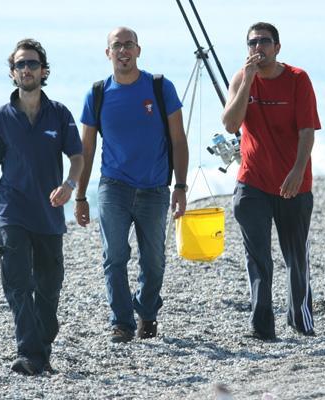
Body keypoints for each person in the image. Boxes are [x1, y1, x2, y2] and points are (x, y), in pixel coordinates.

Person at [0, 38, 83, 374]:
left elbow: (77, 157)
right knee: (18, 285)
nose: (27, 69)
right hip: (12, 213)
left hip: (49, 214)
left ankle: (41, 345)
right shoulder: (0, 119)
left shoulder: (59, 114)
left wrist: (69, 186)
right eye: (20, 64)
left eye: (32, 63)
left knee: (49, 287)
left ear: (44, 71)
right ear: (12, 73)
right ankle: (29, 354)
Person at [75, 27, 189, 343]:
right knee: (114, 256)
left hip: (155, 188)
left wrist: (180, 187)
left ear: (138, 50)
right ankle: (122, 323)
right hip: (114, 186)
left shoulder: (160, 87)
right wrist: (80, 196)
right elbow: (86, 149)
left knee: (154, 261)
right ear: (108, 53)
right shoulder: (97, 94)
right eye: (117, 46)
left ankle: (147, 313)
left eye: (129, 45)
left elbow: (179, 141)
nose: (123, 51)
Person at [221, 22, 321, 340]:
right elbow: (230, 124)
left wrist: (297, 170)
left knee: (296, 257)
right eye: (252, 42)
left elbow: (307, 131)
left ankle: (300, 320)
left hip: (293, 183)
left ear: (277, 47)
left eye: (264, 41)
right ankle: (262, 327)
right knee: (258, 258)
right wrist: (248, 80)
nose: (258, 47)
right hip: (252, 182)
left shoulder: (298, 79)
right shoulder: (242, 77)